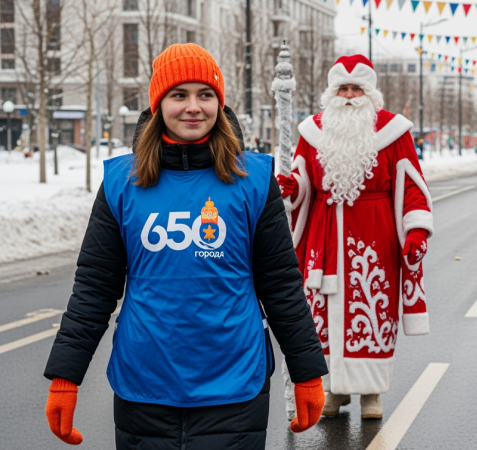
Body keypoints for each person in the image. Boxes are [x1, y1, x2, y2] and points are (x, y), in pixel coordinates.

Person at [42, 44, 328, 449]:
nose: (193, 107)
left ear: (219, 103)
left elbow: (280, 284)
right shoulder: (121, 183)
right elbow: (94, 288)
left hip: (235, 386)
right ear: (159, 104)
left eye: (205, 95)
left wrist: (307, 372)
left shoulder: (254, 180)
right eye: (179, 95)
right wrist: (65, 377)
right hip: (144, 385)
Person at [276, 55, 432, 420]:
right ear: (331, 93)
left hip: (375, 241)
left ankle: (371, 392)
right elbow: (302, 182)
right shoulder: (312, 131)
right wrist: (290, 187)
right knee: (321, 318)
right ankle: (333, 389)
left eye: (356, 89)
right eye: (342, 89)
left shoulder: (393, 131)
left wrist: (416, 230)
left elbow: (411, 186)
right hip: (323, 237)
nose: (348, 96)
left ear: (369, 93)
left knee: (373, 311)